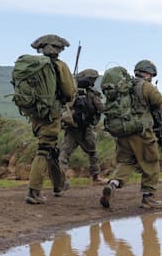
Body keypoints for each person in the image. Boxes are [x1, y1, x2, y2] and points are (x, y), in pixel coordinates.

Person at [99, 59, 162, 209]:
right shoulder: (146, 86)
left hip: (123, 132)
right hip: (141, 132)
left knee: (126, 162)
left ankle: (113, 184)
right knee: (151, 162)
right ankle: (148, 198)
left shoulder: (125, 86)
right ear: (148, 73)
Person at [26, 34, 76, 204]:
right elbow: (69, 92)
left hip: (35, 114)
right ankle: (34, 191)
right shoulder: (59, 65)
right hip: (51, 114)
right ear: (57, 49)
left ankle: (59, 185)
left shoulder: (33, 66)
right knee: (44, 150)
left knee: (52, 150)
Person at [60, 68, 105, 185]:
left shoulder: (71, 92)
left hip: (71, 127)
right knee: (92, 152)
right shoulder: (92, 94)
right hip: (86, 128)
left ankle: (60, 179)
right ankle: (96, 177)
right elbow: (102, 108)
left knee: (64, 153)